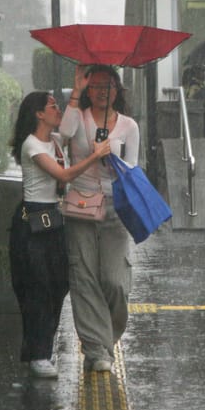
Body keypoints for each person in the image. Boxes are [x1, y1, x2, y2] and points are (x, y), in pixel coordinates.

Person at [8, 91, 112, 378]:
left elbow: (67, 129)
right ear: (39, 114)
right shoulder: (32, 144)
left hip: (53, 221)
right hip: (32, 224)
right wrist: (95, 155)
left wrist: (79, 88)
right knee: (37, 288)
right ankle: (38, 355)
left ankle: (42, 349)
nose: (58, 110)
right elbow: (63, 176)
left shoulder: (54, 141)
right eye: (53, 106)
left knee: (57, 285)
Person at [59, 64, 140, 373]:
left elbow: (132, 168)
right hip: (80, 206)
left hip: (115, 209)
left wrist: (111, 158)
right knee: (84, 279)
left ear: (117, 91)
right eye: (96, 86)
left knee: (115, 282)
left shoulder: (129, 126)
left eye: (109, 87)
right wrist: (76, 90)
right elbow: (64, 133)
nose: (102, 92)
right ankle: (96, 349)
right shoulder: (77, 117)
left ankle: (107, 337)